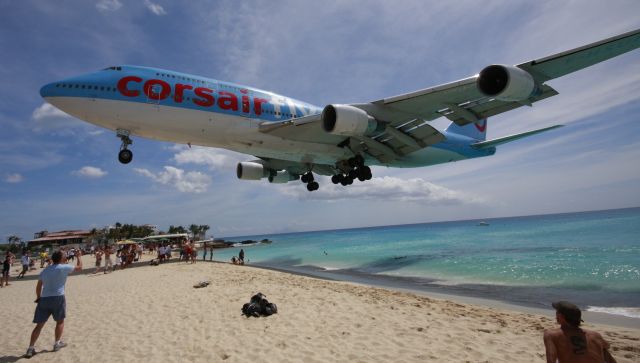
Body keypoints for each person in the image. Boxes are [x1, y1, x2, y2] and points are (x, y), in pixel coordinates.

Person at [25, 249, 83, 358]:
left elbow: (39, 286)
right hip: (58, 297)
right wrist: (79, 256)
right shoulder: (63, 267)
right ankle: (57, 343)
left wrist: (38, 297)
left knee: (39, 325)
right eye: (64, 255)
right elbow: (79, 268)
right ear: (61, 258)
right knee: (60, 321)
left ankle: (30, 348)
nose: (66, 256)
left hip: (45, 298)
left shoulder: (46, 270)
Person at [543, 301, 617, 363]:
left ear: (561, 316)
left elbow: (551, 361)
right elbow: (607, 345)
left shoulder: (551, 335)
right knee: (603, 351)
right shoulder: (595, 335)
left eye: (557, 312)